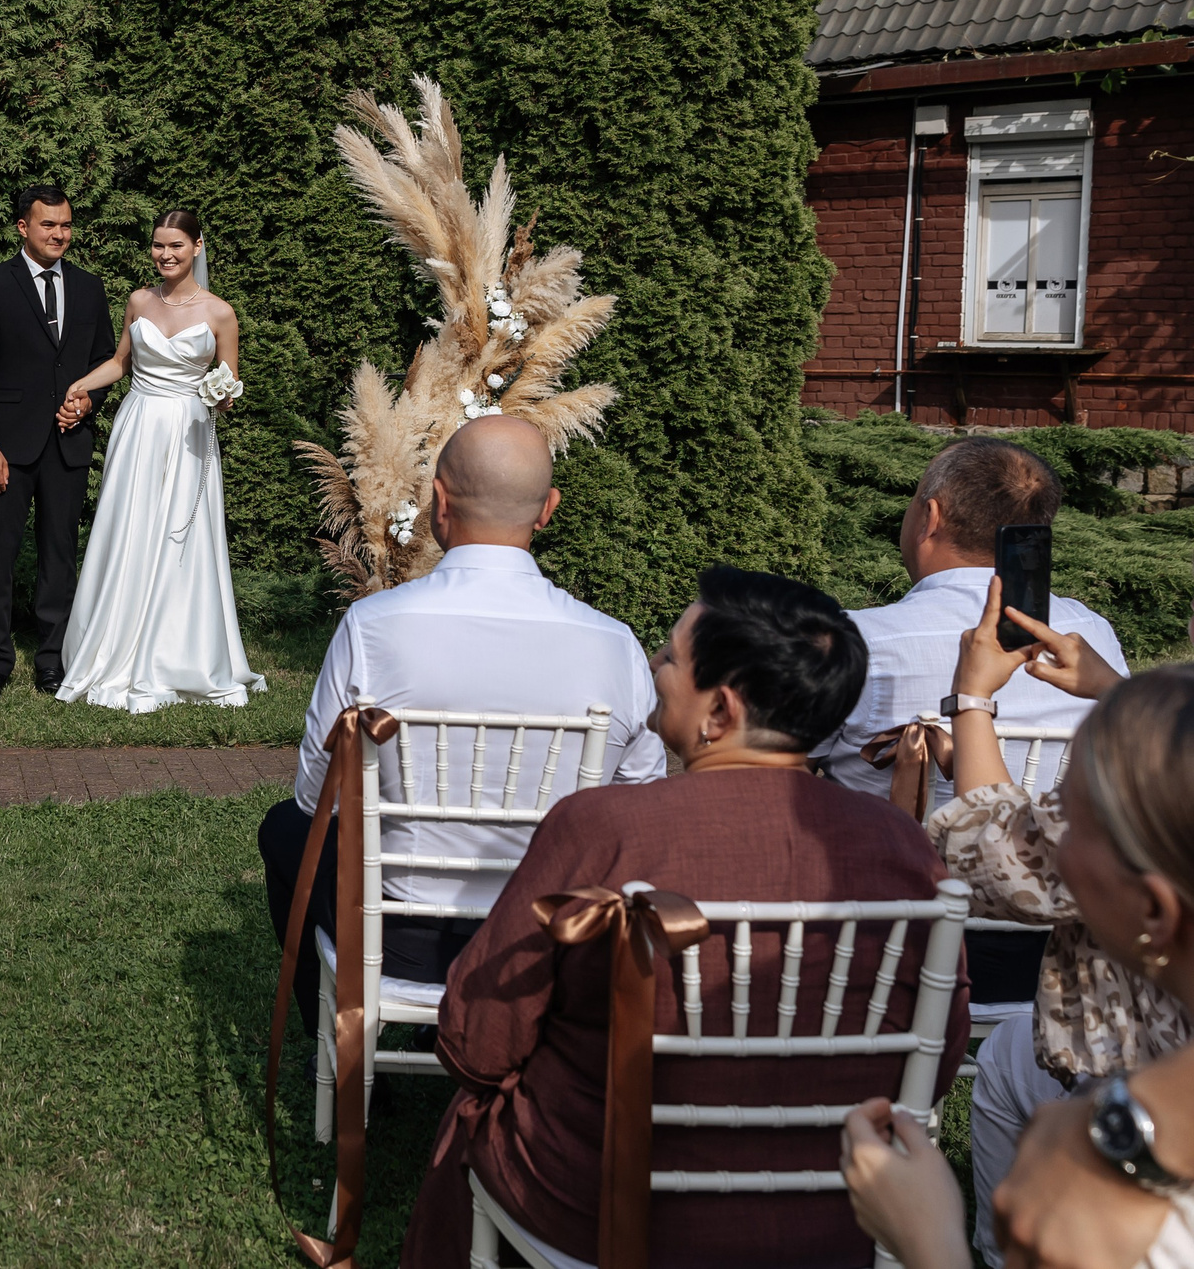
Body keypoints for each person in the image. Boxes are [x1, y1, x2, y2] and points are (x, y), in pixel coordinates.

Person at [400, 566, 969, 1269]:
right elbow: (937, 1057)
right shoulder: (904, 845)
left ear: (721, 712)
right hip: (839, 1211)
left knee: (470, 1114)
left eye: (669, 655)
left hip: (603, 1207)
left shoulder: (603, 827)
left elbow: (474, 1039)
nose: (652, 665)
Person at [262, 414, 665, 991]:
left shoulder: (373, 626)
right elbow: (639, 810)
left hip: (398, 936)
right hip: (548, 936)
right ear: (547, 509)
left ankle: (337, 1039)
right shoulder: (615, 645)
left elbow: (314, 794)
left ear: (438, 503)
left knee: (285, 829)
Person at [842, 669, 1194, 1269]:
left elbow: (992, 858)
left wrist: (928, 1236)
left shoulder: (1139, 1227)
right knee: (1009, 1053)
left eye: (1066, 821)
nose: (1043, 836)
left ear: (1154, 913)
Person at [823, 437, 1129, 1007]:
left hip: (895, 939)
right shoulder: (1090, 638)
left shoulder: (853, 639)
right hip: (1060, 936)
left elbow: (787, 764)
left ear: (930, 515)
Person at [919, 577, 1164, 1265]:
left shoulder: (1140, 785)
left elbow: (995, 862)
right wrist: (1119, 692)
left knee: (1007, 1059)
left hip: (1147, 1059)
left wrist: (971, 701)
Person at [51, 209, 265, 712]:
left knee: (180, 537)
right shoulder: (138, 300)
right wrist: (80, 384)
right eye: (157, 245)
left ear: (197, 247)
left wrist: (221, 393)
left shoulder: (220, 313)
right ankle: (114, 642)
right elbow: (121, 363)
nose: (165, 255)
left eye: (176, 246)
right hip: (139, 426)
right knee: (131, 528)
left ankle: (175, 651)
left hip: (189, 432)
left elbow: (230, 387)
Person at [0, 183, 119, 700]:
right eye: (48, 224)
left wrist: (88, 402)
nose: (59, 234)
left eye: (66, 224)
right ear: (23, 227)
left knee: (59, 556)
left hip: (68, 445)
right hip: (6, 445)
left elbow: (104, 363)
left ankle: (53, 660)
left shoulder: (91, 287)